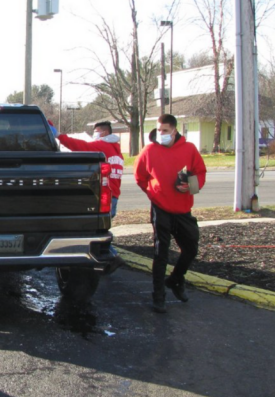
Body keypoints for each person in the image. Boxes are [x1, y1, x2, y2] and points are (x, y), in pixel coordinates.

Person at [134, 114, 207, 313]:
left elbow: (200, 173)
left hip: (183, 209)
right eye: (159, 130)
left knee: (191, 249)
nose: (161, 134)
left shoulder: (189, 149)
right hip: (161, 208)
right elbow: (140, 177)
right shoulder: (149, 150)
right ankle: (159, 296)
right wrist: (153, 194)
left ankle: (175, 279)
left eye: (165, 131)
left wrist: (191, 186)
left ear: (174, 131)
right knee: (161, 254)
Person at [56, 121, 125, 274]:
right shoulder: (117, 150)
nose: (95, 134)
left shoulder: (103, 147)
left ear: (106, 132)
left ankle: (113, 258)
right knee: (100, 230)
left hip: (105, 196)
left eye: (97, 131)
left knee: (95, 232)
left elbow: (78, 146)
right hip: (114, 196)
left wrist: (59, 136)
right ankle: (109, 261)